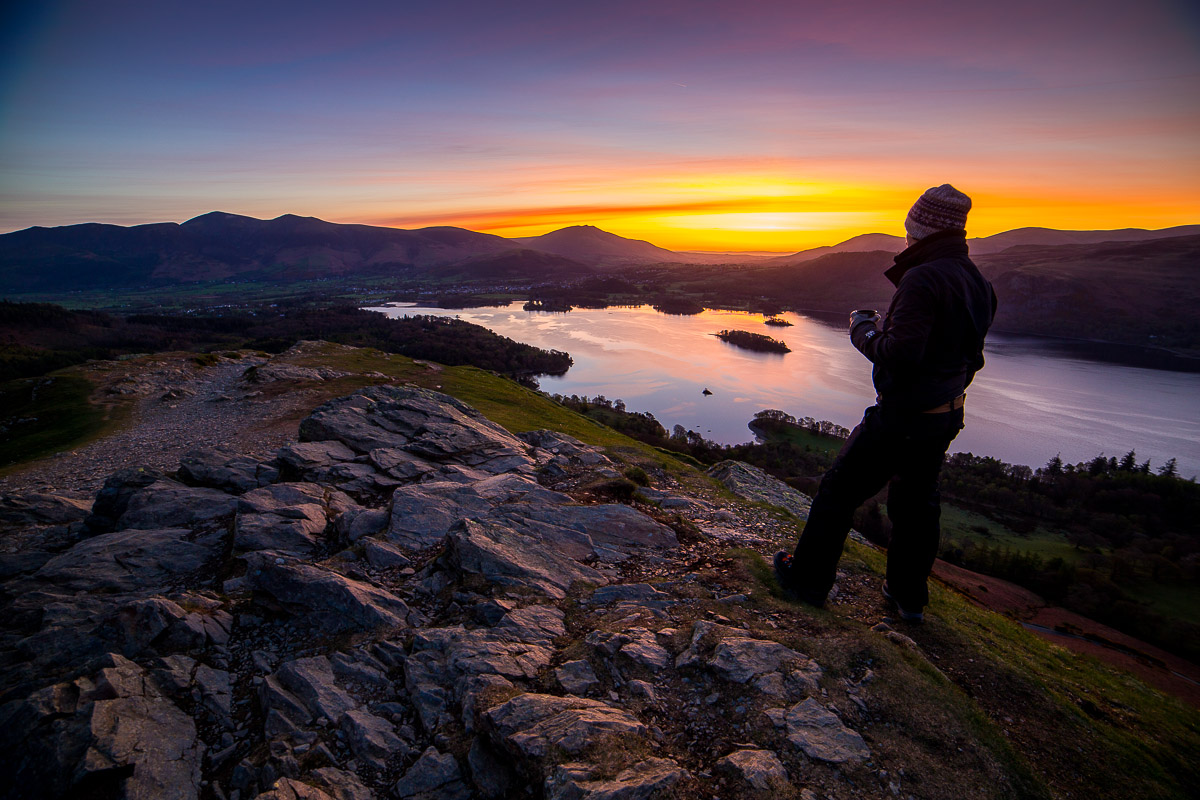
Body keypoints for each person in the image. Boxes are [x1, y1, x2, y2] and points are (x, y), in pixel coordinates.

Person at [773, 184, 997, 622]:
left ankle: (807, 582)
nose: (906, 237)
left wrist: (861, 329)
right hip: (945, 414)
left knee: (838, 492)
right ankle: (907, 597)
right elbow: (970, 356)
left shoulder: (923, 277)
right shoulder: (976, 281)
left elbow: (899, 353)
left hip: (903, 417)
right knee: (916, 506)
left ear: (919, 229)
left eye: (909, 229)